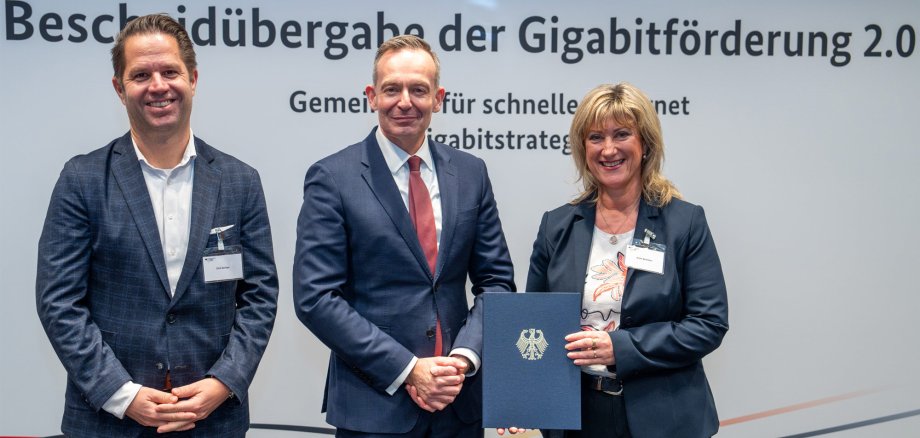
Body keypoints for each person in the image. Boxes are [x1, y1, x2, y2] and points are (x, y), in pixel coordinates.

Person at [35, 14, 279, 437]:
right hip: (107, 421)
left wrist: (224, 382)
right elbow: (59, 303)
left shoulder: (240, 181)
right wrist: (122, 394)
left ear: (193, 79)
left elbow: (259, 297)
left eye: (170, 71)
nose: (158, 86)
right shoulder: (82, 179)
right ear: (119, 88)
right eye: (141, 74)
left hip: (212, 420)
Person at [293, 35, 516, 437]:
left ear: (439, 98)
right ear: (371, 96)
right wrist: (409, 369)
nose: (405, 101)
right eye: (392, 88)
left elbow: (496, 282)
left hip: (458, 401)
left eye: (419, 89)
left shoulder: (471, 173)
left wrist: (464, 359)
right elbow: (316, 298)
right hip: (374, 406)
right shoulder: (332, 178)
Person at [526, 83, 728, 438]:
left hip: (665, 418)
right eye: (595, 137)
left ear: (645, 143)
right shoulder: (556, 226)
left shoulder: (684, 223)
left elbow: (708, 324)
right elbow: (532, 325)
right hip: (576, 418)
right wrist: (523, 399)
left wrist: (620, 347)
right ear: (581, 148)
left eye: (621, 134)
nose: (608, 149)